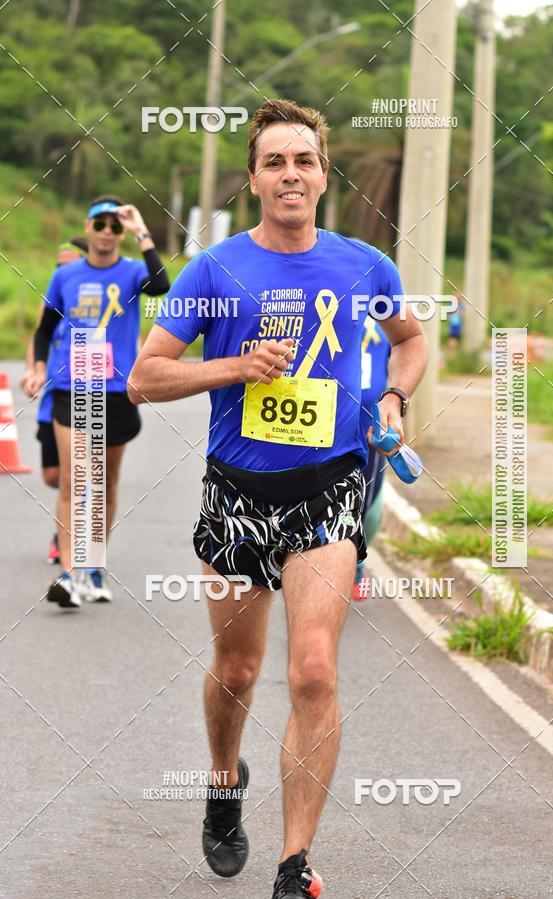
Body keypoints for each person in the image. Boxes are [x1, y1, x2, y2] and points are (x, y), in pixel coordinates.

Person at [127, 99, 428, 897]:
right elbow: (144, 377)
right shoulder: (216, 270)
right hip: (236, 492)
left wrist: (394, 400)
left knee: (315, 669)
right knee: (236, 666)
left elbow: (411, 338)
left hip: (329, 489)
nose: (290, 174)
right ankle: (225, 782)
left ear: (324, 175)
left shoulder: (367, 264)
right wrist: (234, 367)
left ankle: (295, 863)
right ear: (254, 179)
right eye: (274, 162)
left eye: (304, 160)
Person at [27, 195, 170, 608]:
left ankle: (92, 565)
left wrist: (142, 229)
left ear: (120, 233)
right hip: (72, 386)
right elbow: (43, 330)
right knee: (75, 479)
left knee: (104, 482)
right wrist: (37, 366)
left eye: (114, 225)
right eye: (100, 224)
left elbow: (161, 284)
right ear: (88, 229)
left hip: (116, 390)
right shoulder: (66, 275)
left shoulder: (131, 272)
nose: (107, 231)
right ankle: (69, 573)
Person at [21, 237, 88, 565]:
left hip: (85, 398)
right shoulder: (53, 299)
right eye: (57, 266)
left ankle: (67, 541)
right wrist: (32, 371)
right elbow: (40, 336)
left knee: (73, 477)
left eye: (68, 265)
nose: (61, 271)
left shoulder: (94, 304)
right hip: (53, 397)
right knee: (52, 475)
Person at [352, 316, 391, 601]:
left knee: (367, 499)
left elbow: (406, 354)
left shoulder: (391, 322)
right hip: (333, 420)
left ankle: (357, 562)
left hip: (371, 425)